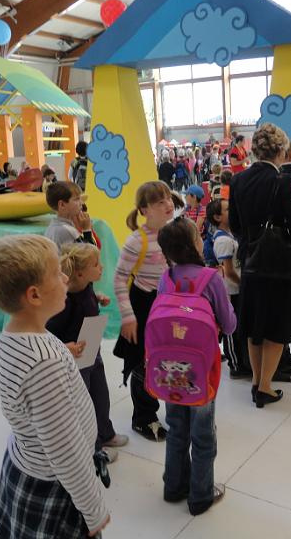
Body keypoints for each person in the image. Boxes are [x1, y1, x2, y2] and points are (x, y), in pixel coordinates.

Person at [0, 235, 110, 537]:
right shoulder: (43, 363)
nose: (66, 278)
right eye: (57, 273)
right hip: (54, 484)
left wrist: (64, 353)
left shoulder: (16, 334)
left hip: (25, 463)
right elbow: (66, 452)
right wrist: (94, 510)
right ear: (34, 295)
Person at [156, 217, 236, 515]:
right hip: (202, 372)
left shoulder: (166, 277)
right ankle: (200, 496)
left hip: (168, 369)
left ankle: (173, 486)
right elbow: (229, 325)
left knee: (176, 427)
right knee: (202, 434)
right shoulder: (210, 278)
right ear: (193, 244)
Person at [228, 123, 291, 408]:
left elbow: (235, 224)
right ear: (282, 150)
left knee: (254, 323)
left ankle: (255, 381)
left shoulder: (238, 180)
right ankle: (264, 387)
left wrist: (251, 241)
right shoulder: (282, 181)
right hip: (277, 263)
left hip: (250, 259)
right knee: (276, 325)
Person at [46, 242, 128, 462]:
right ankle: (93, 449)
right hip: (75, 358)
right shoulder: (63, 302)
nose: (102, 267)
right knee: (84, 404)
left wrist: (97, 298)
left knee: (101, 395)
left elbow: (87, 297)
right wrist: (66, 347)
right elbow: (46, 335)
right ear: (80, 273)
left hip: (92, 346)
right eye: (96, 264)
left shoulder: (86, 285)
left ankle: (105, 433)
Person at [113, 181, 179, 441]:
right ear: (144, 210)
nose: (168, 205)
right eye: (160, 202)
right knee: (143, 362)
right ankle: (144, 417)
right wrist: (128, 317)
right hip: (144, 305)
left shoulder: (174, 232)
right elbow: (119, 279)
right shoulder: (136, 241)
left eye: (168, 199)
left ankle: (175, 407)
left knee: (169, 358)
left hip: (169, 304)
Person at [205, 198, 249, 379]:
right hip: (230, 290)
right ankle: (235, 365)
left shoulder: (230, 235)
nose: (233, 211)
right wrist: (243, 284)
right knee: (231, 328)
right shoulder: (223, 240)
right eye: (228, 209)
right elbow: (229, 271)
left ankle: (241, 360)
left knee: (239, 326)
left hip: (236, 289)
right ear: (217, 217)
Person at [44, 181, 96, 250]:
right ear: (62, 204)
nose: (81, 203)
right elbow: (90, 254)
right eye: (76, 199)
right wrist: (87, 230)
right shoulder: (66, 231)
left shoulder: (52, 227)